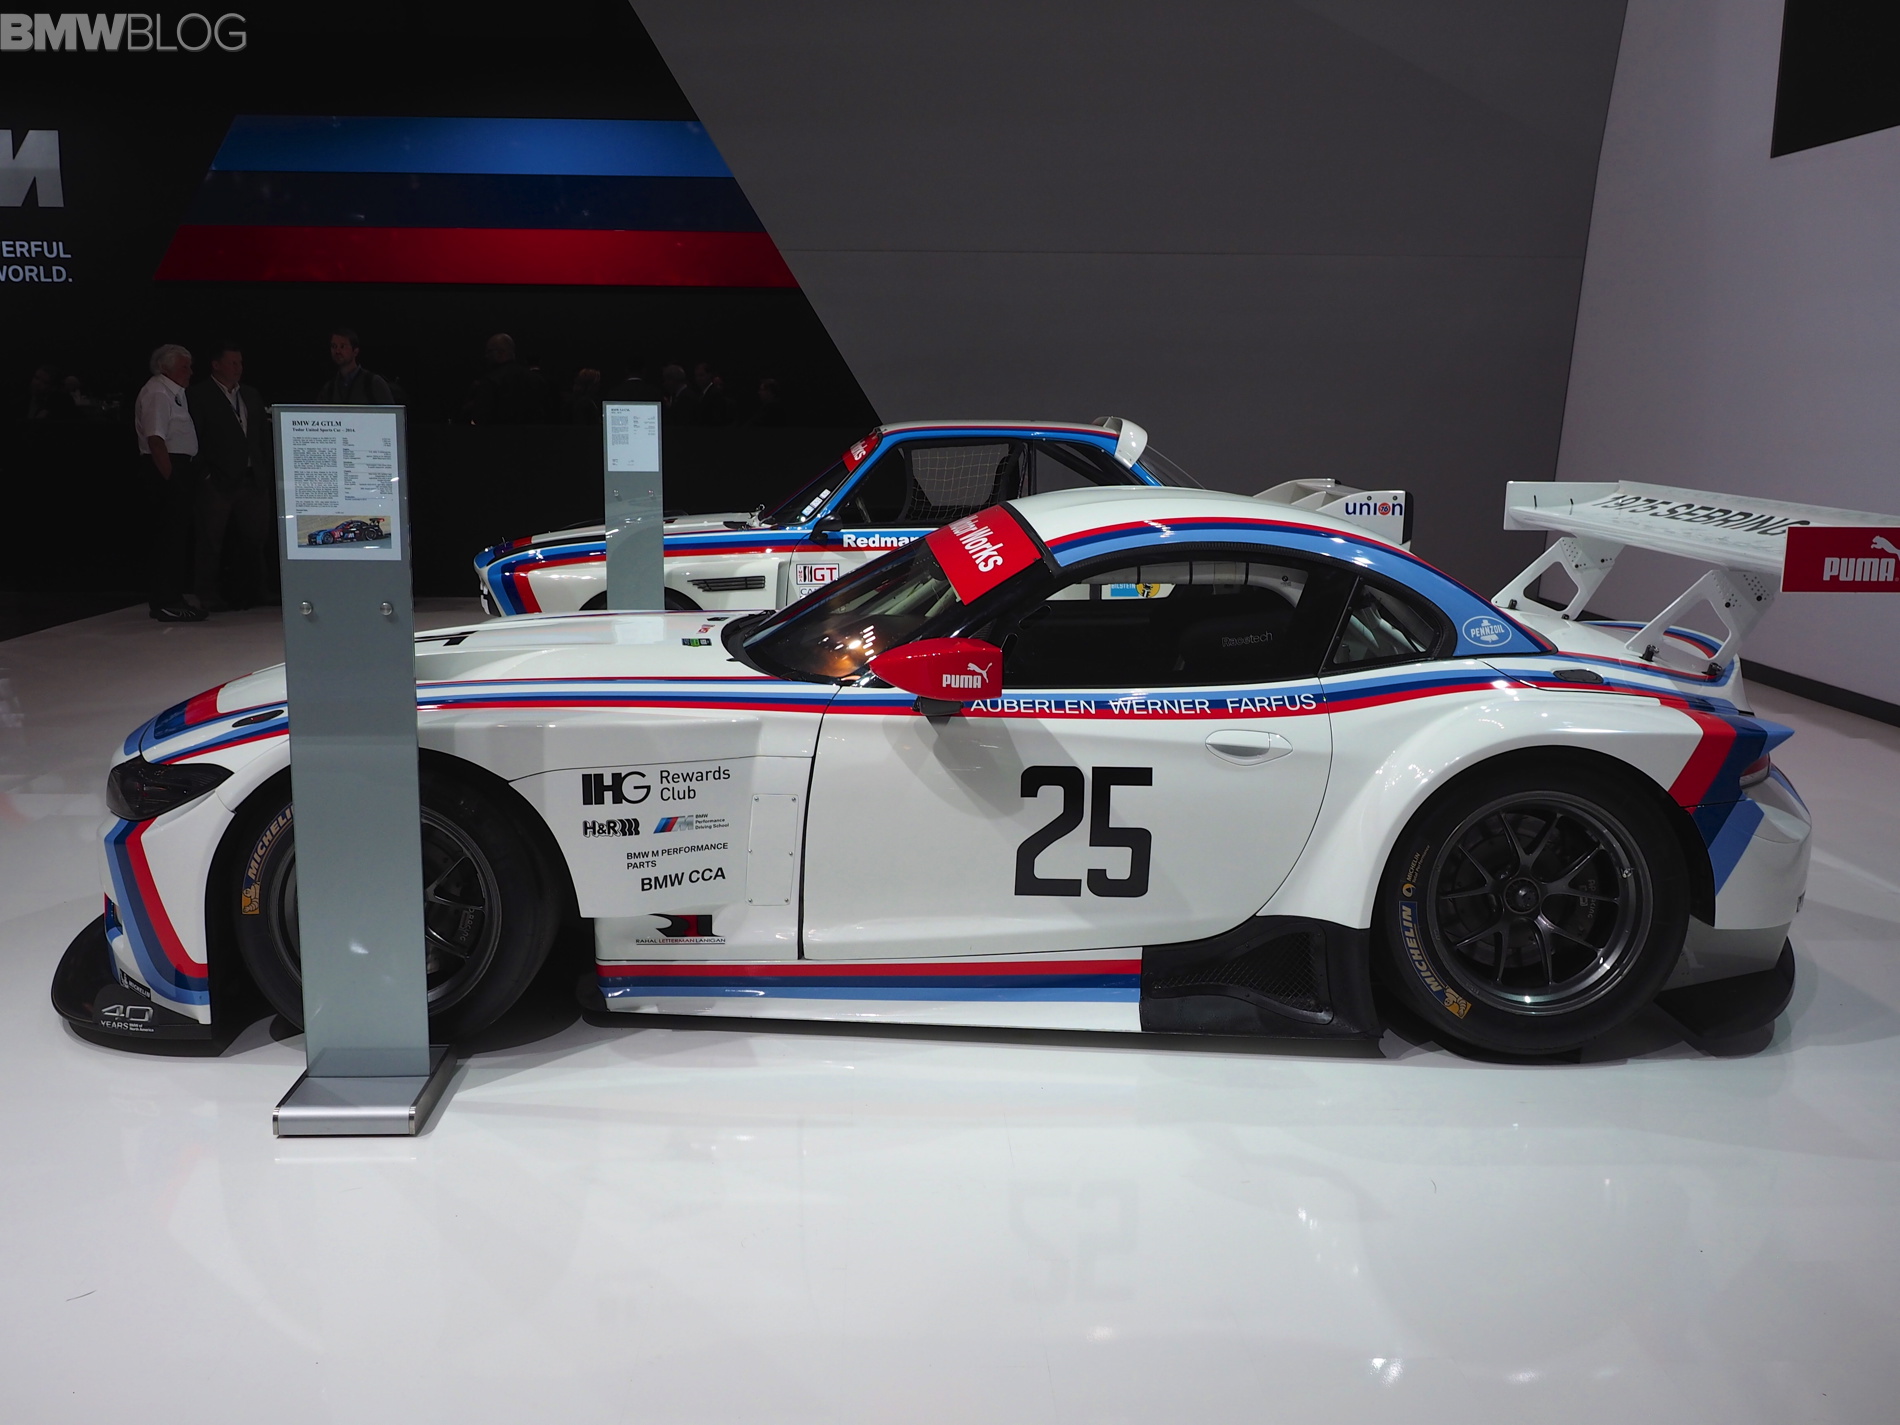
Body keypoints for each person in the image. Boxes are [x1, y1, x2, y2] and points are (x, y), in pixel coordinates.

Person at [188, 342, 276, 610]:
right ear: (216, 365)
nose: (238, 368)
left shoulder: (250, 394)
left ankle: (257, 590)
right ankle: (207, 594)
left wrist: (264, 470)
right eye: (232, 363)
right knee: (211, 540)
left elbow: (261, 436)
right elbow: (194, 438)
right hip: (218, 480)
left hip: (252, 478)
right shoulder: (199, 395)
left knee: (256, 539)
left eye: (240, 363)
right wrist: (205, 474)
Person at [134, 344, 204, 622]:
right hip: (166, 469)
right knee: (167, 538)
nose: (190, 372)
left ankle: (173, 596)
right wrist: (172, 480)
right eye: (184, 366)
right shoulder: (158, 393)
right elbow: (155, 440)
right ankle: (165, 600)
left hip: (179, 468)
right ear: (166, 368)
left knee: (176, 538)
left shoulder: (174, 393)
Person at [465, 332, 549, 424]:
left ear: (501, 352)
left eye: (489, 351)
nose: (486, 356)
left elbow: (480, 418)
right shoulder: (536, 379)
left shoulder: (491, 381)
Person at [318, 328, 394, 404]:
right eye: (334, 346)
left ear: (355, 351)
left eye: (342, 346)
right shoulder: (329, 389)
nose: (337, 351)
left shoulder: (373, 383)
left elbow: (391, 411)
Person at [691, 360, 731, 427]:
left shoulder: (715, 394)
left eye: (701, 375)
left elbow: (716, 420)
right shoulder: (701, 394)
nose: (698, 379)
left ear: (709, 375)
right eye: (696, 376)